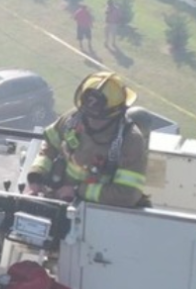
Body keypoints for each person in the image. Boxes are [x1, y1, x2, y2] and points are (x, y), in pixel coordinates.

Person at [26, 71, 150, 208]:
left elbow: (127, 195)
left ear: (116, 113)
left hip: (99, 212)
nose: (90, 121)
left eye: (98, 118)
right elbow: (50, 145)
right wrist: (36, 177)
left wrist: (78, 191)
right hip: (58, 199)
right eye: (87, 115)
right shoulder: (72, 118)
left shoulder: (130, 141)